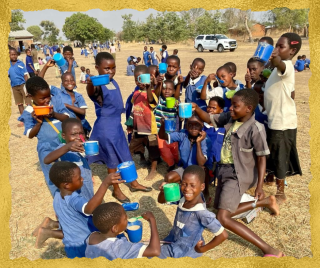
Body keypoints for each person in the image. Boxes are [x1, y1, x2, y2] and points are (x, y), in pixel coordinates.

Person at [193, 89, 284, 258]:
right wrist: (196, 109)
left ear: (249, 108)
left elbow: (262, 158)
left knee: (222, 217)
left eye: (235, 106)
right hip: (223, 171)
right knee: (217, 212)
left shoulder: (256, 129)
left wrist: (260, 185)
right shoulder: (229, 118)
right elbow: (210, 119)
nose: (231, 109)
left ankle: (269, 249)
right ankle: (264, 203)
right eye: (231, 105)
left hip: (239, 174)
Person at [86, 52, 151, 203]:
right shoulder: (98, 85)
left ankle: (133, 183)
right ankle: (116, 190)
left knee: (125, 154)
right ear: (97, 68)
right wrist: (90, 83)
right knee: (112, 160)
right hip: (106, 127)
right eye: (106, 68)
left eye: (113, 68)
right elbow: (92, 93)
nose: (110, 71)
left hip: (116, 125)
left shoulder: (112, 81)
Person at [47, 161, 124, 258]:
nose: (82, 179)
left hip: (71, 245)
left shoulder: (57, 195)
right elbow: (89, 209)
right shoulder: (73, 199)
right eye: (79, 178)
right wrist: (105, 184)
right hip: (83, 245)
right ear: (67, 185)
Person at [263, 33, 303, 201]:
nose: (277, 49)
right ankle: (271, 178)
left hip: (284, 121)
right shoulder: (278, 68)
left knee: (281, 156)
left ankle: (281, 192)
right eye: (276, 46)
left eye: (281, 47)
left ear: (292, 51)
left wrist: (275, 58)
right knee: (272, 151)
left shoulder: (286, 65)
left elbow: (279, 64)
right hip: (274, 119)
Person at [157, 166, 228, 258]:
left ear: (202, 187)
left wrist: (202, 249)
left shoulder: (202, 213)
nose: (187, 189)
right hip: (174, 239)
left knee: (148, 254)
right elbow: (161, 201)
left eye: (192, 185)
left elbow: (223, 235)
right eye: (184, 184)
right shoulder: (184, 197)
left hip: (184, 251)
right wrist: (163, 192)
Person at [18, 77, 70, 196]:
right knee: (53, 176)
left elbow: (66, 117)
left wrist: (54, 114)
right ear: (31, 96)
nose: (47, 100)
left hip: (64, 144)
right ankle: (59, 201)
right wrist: (38, 122)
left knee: (69, 171)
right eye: (42, 98)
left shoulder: (55, 101)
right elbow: (30, 134)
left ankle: (73, 200)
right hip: (46, 148)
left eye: (48, 96)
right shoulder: (29, 111)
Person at [157, 115, 212, 200]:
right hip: (186, 168)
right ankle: (182, 189)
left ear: (202, 125)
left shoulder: (205, 139)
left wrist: (198, 142)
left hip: (200, 169)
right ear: (186, 126)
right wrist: (163, 125)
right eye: (190, 124)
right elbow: (163, 136)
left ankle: (205, 192)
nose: (193, 127)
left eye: (197, 125)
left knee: (203, 169)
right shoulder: (183, 134)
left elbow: (201, 162)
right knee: (169, 178)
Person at [85, 203, 161, 259]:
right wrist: (152, 220)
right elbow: (155, 251)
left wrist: (122, 228)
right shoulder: (118, 248)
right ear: (115, 228)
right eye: (125, 218)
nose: (127, 219)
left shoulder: (92, 236)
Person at [40, 60, 92, 139]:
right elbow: (40, 83)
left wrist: (68, 105)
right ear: (62, 83)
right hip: (65, 130)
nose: (69, 82)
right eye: (66, 81)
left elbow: (82, 112)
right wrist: (46, 66)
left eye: (72, 80)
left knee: (82, 148)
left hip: (80, 128)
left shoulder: (78, 96)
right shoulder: (57, 92)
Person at [43, 118, 94, 200]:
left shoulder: (83, 147)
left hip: (86, 185)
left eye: (81, 133)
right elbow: (46, 160)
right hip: (75, 193)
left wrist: (90, 175)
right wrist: (67, 147)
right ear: (64, 136)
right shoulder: (62, 149)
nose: (78, 137)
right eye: (73, 134)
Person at [126, 65, 160, 181]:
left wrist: (149, 87)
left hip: (150, 129)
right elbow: (133, 109)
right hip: (138, 128)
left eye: (141, 78)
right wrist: (130, 125)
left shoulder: (151, 93)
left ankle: (153, 169)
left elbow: (151, 101)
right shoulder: (135, 94)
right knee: (133, 147)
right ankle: (136, 163)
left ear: (148, 78)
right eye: (136, 79)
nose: (139, 81)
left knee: (153, 149)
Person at [154, 80, 181, 172]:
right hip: (160, 132)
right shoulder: (159, 100)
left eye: (170, 89)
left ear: (174, 91)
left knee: (174, 149)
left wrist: (178, 108)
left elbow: (181, 117)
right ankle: (171, 164)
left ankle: (177, 161)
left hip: (172, 132)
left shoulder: (176, 102)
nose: (166, 91)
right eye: (164, 89)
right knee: (163, 150)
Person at [203, 97, 225, 186]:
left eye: (214, 108)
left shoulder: (224, 128)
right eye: (209, 107)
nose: (210, 110)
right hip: (203, 160)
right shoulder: (201, 126)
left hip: (218, 162)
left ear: (221, 111)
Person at [8, 48, 32, 125]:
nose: (14, 56)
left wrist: (27, 86)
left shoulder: (20, 63)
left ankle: (31, 118)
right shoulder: (7, 65)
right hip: (14, 87)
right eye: (12, 54)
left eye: (15, 54)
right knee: (19, 104)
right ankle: (23, 119)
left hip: (23, 85)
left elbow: (25, 75)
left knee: (28, 103)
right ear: (9, 55)